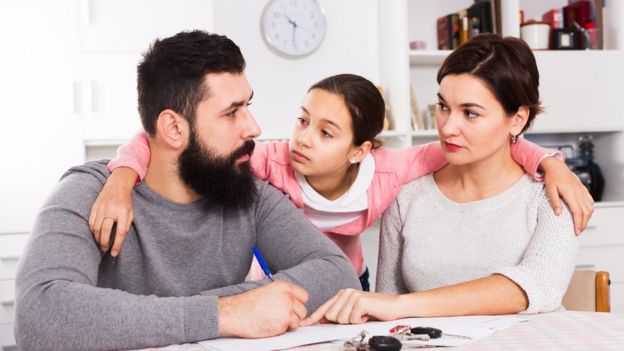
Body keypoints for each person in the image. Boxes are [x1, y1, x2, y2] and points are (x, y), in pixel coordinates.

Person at [14, 30, 361, 351]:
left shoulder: (248, 195)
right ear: (174, 129)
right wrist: (222, 313)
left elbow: (338, 274)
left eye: (248, 106)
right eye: (231, 113)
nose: (253, 127)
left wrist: (222, 307)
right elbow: (39, 312)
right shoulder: (92, 192)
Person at [91, 72, 592, 292]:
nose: (302, 139)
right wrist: (120, 178)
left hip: (351, 282)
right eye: (303, 119)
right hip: (276, 282)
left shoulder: (391, 172)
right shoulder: (271, 160)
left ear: (360, 150)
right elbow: (163, 137)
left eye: (326, 132)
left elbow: (480, 142)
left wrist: (551, 163)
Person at [301, 34, 580, 326]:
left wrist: (401, 305)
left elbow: (539, 286)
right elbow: (386, 307)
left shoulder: (554, 192)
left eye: (470, 113)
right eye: (443, 106)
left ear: (518, 119)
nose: (448, 127)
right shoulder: (407, 195)